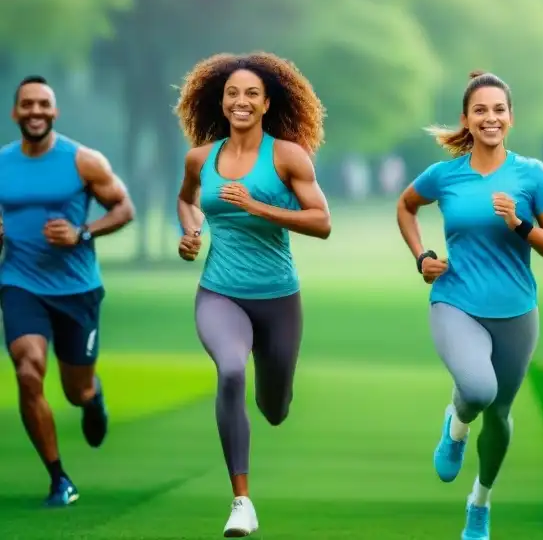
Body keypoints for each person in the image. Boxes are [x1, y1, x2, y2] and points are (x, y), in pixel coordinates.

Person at [396, 70, 543, 540]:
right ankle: (455, 425)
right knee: (476, 390)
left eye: (498, 110)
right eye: (480, 110)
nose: (490, 118)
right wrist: (423, 256)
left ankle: (480, 502)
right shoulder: (445, 174)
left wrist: (519, 224)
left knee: (500, 415)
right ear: (466, 120)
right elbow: (406, 206)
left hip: (516, 311)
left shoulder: (532, 175)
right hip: (456, 300)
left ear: (510, 118)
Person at [174, 52, 331, 538]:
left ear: (266, 105)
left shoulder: (287, 156)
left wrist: (260, 207)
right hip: (220, 292)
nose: (241, 102)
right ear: (221, 102)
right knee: (231, 371)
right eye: (233, 94)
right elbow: (185, 199)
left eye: (251, 95)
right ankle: (242, 500)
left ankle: (276, 397)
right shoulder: (202, 158)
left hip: (279, 298)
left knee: (275, 407)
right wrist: (191, 230)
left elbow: (321, 222)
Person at [0, 75, 135, 506]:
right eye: (27, 105)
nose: (35, 111)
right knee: (27, 369)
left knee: (76, 390)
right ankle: (59, 478)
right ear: (15, 112)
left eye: (43, 104)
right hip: (20, 283)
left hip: (77, 289)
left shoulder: (83, 160)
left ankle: (92, 398)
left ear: (54, 112)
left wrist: (81, 233)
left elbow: (124, 209)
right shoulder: (2, 164)